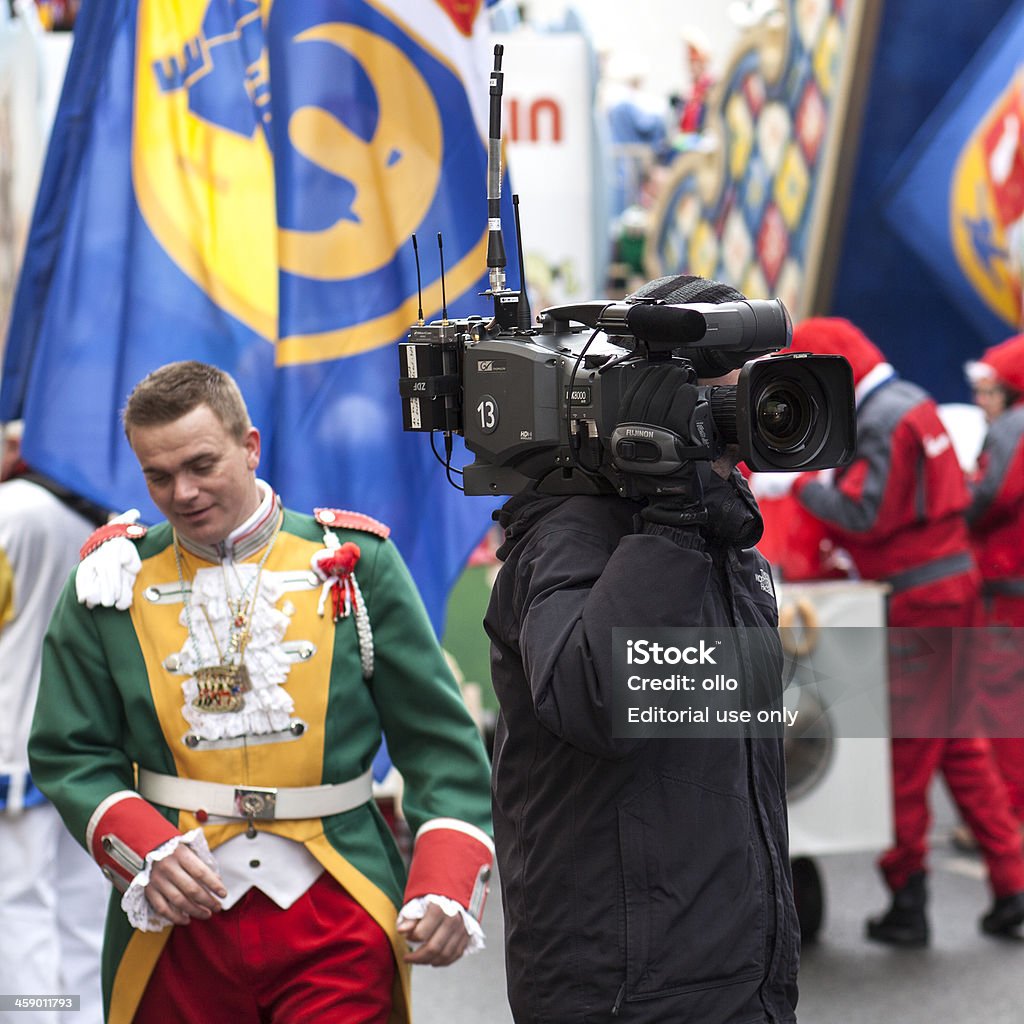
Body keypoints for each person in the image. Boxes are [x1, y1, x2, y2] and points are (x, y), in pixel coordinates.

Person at [28, 361, 494, 1024]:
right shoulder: (110, 584)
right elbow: (69, 750)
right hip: (172, 914)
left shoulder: (359, 564)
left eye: (201, 464)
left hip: (337, 906)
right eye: (158, 476)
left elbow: (438, 743)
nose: (182, 492)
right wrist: (143, 847)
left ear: (250, 446)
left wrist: (446, 882)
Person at [485, 275, 799, 1024]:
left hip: (739, 977)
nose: (740, 423)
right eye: (720, 401)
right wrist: (673, 521)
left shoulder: (717, 533)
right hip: (623, 992)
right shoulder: (575, 529)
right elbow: (601, 703)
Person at [788, 317, 1024, 945]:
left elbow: (865, 514)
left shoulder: (881, 417)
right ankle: (1011, 886)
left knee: (907, 752)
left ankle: (908, 896)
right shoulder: (912, 403)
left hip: (919, 600)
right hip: (951, 591)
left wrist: (804, 484)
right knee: (956, 743)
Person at [0, 421, 110, 1023]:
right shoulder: (94, 522)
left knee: (17, 915)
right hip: (78, 755)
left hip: (10, 753)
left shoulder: (11, 511)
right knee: (79, 915)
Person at [963, 334, 1024, 826]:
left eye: (989, 391)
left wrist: (960, 497)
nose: (981, 402)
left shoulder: (1011, 429)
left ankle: (1010, 812)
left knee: (1003, 701)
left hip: (1008, 586)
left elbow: (991, 496)